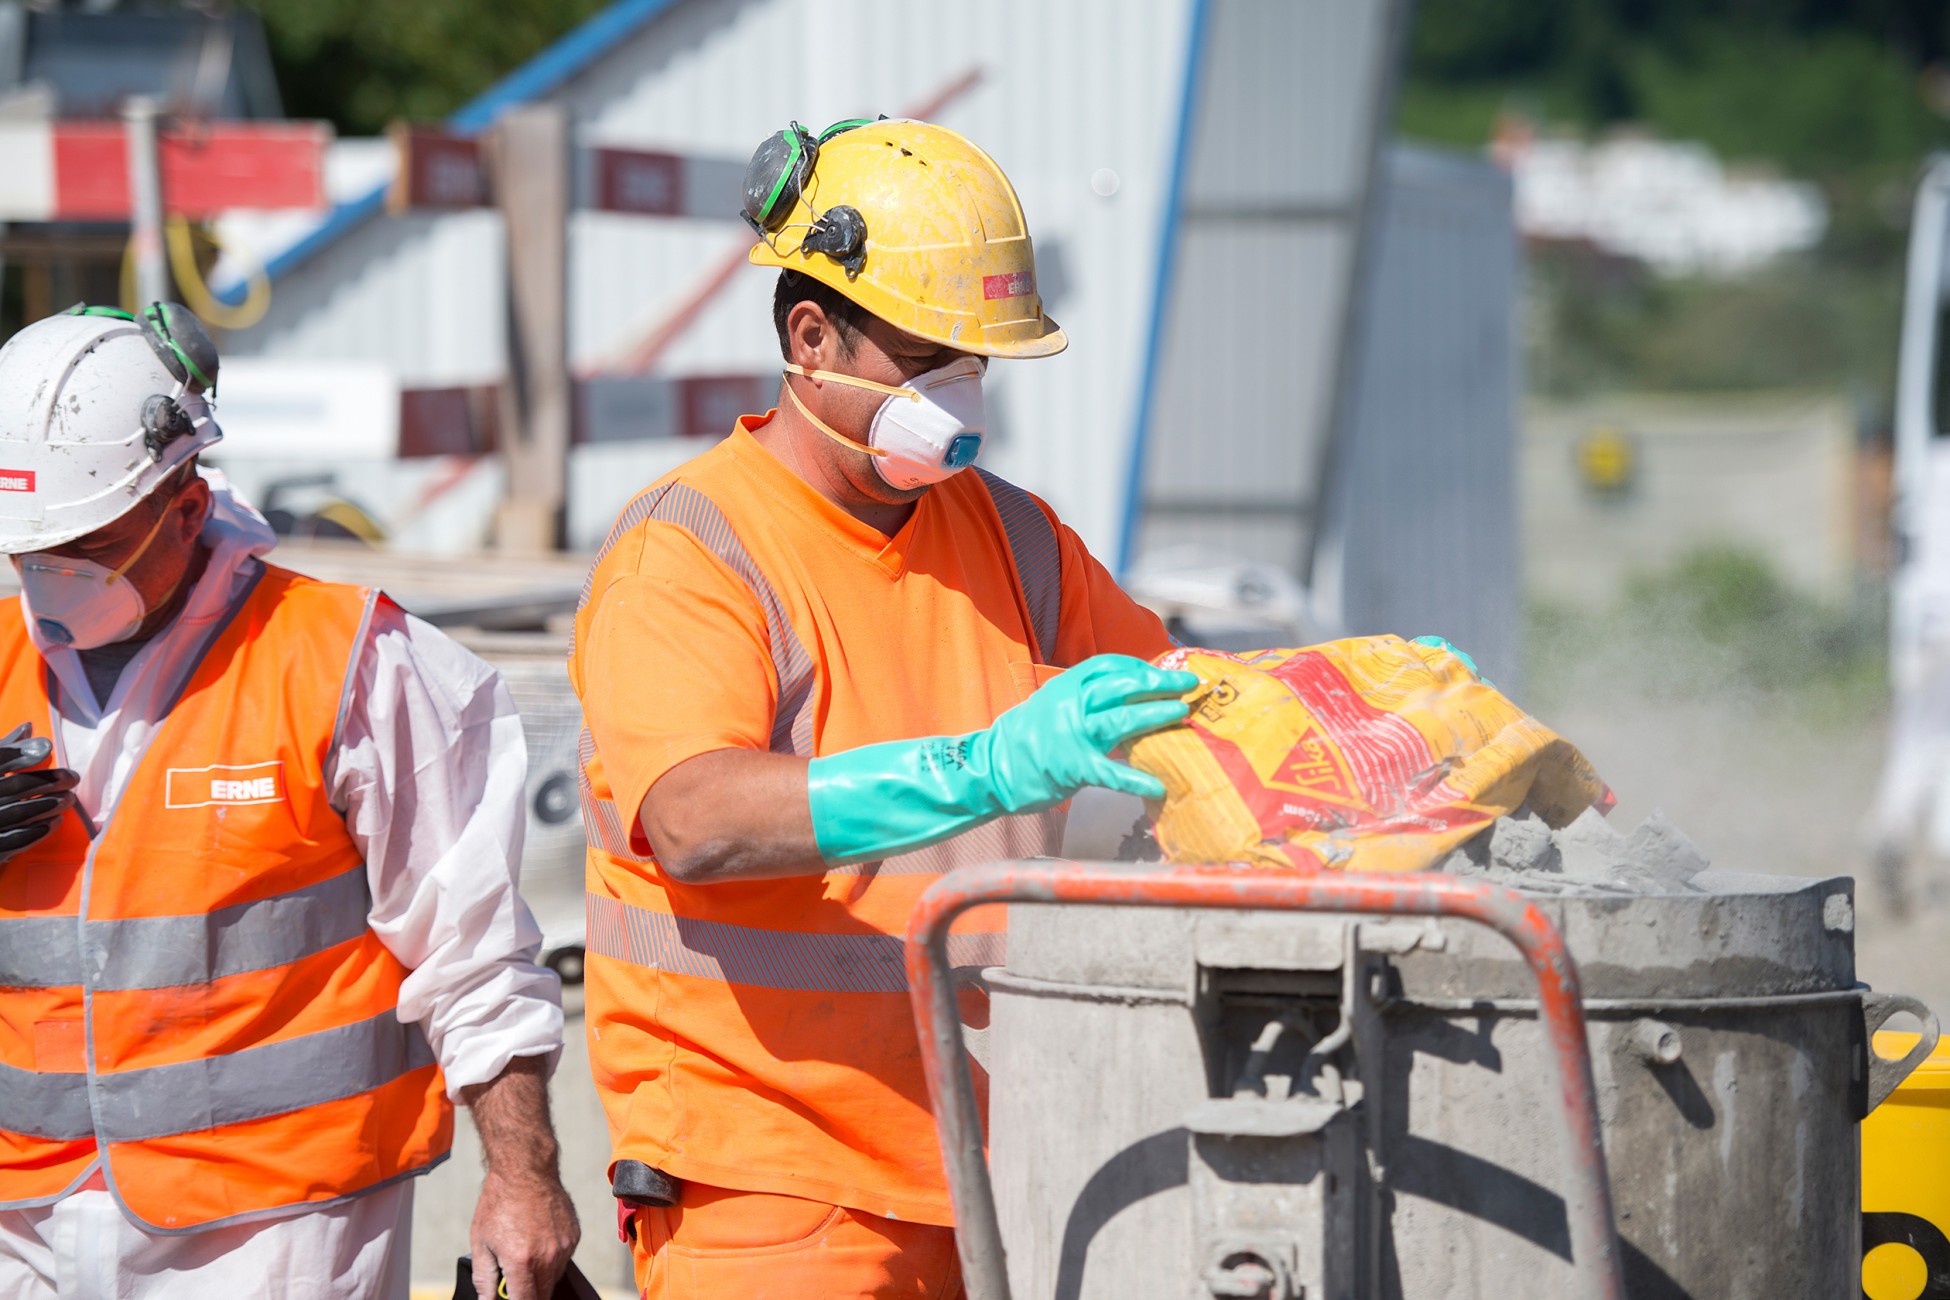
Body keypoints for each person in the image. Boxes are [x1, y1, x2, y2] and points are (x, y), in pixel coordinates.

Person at [572, 118, 1198, 1297]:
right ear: (811, 337)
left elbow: (1182, 708)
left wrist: (1359, 724)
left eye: (975, 362)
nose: (957, 393)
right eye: (926, 358)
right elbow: (695, 817)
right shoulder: (691, 548)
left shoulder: (1018, 537)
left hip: (992, 1167)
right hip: (772, 1185)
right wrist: (984, 770)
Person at [0, 305, 579, 1299]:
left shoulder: (350, 664)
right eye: (28, 549)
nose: (51, 577)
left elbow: (474, 954)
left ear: (187, 509)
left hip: (277, 1231)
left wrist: (523, 1180)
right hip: (29, 1221)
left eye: (87, 544)